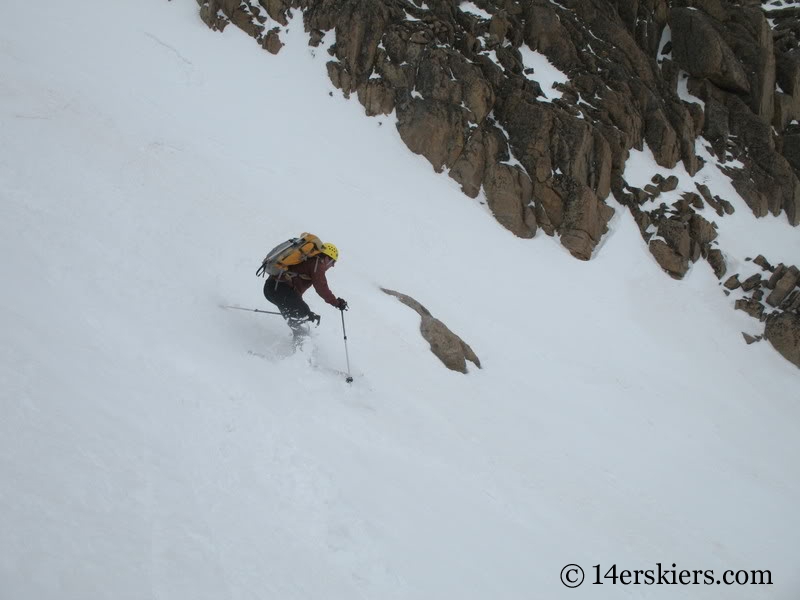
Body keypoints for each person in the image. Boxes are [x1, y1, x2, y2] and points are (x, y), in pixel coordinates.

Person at [263, 241, 347, 343]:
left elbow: (295, 293)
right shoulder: (317, 263)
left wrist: (305, 311)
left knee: (300, 322)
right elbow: (321, 287)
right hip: (279, 289)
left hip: (273, 289)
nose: (333, 266)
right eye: (333, 262)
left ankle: (294, 353)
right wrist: (337, 303)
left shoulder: (308, 261)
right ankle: (300, 354)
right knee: (303, 319)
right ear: (326, 258)